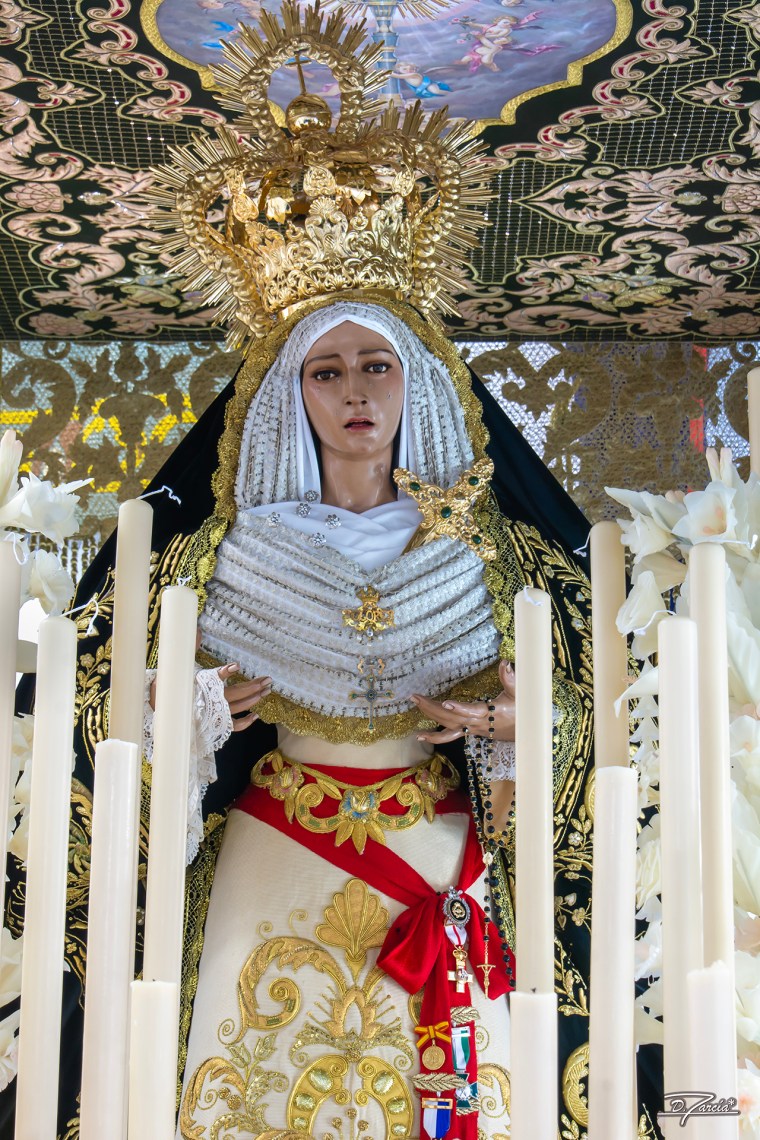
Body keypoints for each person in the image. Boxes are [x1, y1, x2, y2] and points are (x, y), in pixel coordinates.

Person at [1, 4, 662, 1136]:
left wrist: (524, 733)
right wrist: (185, 717)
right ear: (287, 398)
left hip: (436, 852)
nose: (355, 391)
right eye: (325, 371)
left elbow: (593, 742)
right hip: (275, 842)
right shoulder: (213, 559)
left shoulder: (495, 557)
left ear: (418, 383)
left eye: (376, 365)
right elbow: (101, 735)